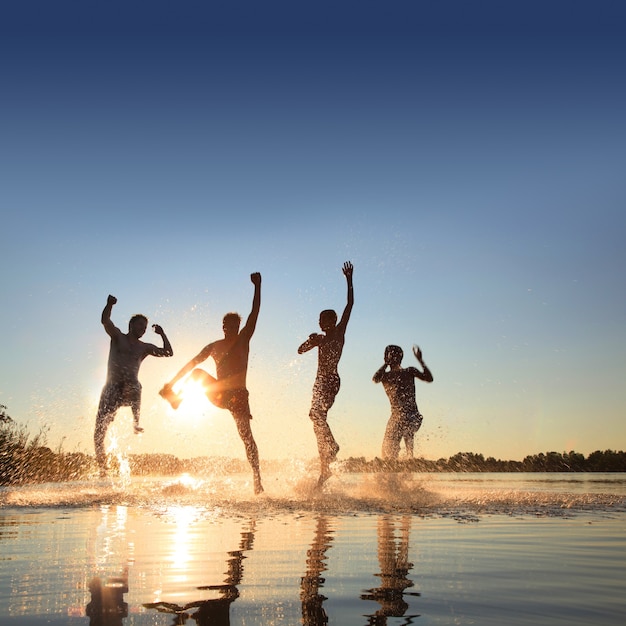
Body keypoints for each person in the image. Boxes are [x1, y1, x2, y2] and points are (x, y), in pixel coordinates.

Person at [159, 273, 264, 494]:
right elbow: (191, 364)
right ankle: (177, 399)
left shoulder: (244, 338)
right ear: (222, 326)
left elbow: (255, 313)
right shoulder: (214, 346)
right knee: (197, 372)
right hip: (219, 393)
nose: (231, 328)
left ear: (239, 326)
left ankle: (257, 480)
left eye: (235, 324)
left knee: (246, 437)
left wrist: (258, 286)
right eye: (227, 325)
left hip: (239, 396)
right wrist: (172, 383)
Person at [94, 295, 173, 477]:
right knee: (98, 433)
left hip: (129, 389)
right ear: (131, 325)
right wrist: (109, 305)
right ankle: (103, 470)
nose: (143, 330)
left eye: (145, 328)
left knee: (137, 385)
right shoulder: (118, 337)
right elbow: (105, 320)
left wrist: (162, 334)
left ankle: (136, 422)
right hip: (111, 389)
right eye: (140, 326)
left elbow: (168, 352)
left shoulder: (144, 347)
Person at [298, 261, 354, 485]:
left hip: (331, 380)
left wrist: (349, 280)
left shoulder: (339, 332)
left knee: (317, 417)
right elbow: (300, 351)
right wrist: (309, 340)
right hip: (319, 382)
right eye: (320, 320)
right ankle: (325, 468)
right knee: (316, 419)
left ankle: (333, 446)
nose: (321, 323)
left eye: (325, 320)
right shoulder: (319, 339)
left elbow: (350, 304)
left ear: (333, 321)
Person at [373, 345, 433, 460]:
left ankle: (410, 455)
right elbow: (375, 379)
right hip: (395, 417)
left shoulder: (409, 371)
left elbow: (429, 378)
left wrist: (420, 360)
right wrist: (386, 364)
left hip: (412, 416)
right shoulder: (385, 376)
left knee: (404, 423)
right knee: (387, 452)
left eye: (391, 356)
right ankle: (398, 468)